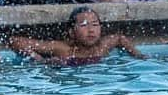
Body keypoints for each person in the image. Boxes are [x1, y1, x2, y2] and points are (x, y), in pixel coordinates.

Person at [9, 6, 145, 65]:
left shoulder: (103, 47)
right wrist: (39, 60)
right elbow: (15, 41)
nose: (91, 30)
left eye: (95, 24)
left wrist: (139, 56)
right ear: (71, 32)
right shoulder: (62, 49)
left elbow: (120, 38)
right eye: (84, 25)